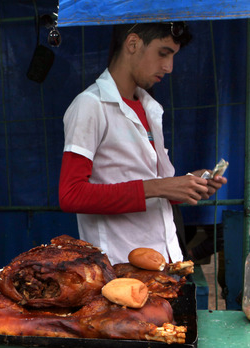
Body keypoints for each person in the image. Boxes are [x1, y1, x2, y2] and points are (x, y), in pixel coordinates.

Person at [59, 22, 227, 265]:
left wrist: (188, 184)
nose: (168, 67)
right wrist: (160, 187)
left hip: (167, 261)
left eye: (173, 56)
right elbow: (71, 195)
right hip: (121, 267)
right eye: (163, 53)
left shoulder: (149, 107)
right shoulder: (90, 105)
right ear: (133, 43)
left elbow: (147, 182)